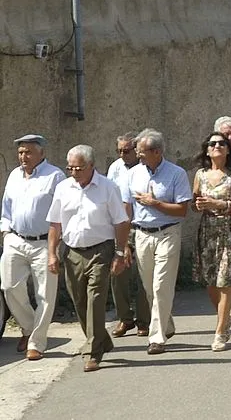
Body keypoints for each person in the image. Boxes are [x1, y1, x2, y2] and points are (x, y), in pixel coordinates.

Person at [46, 145, 130, 372]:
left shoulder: (108, 188)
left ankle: (92, 352)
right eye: (70, 168)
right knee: (79, 301)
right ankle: (102, 339)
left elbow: (121, 222)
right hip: (71, 251)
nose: (74, 172)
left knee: (95, 300)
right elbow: (55, 223)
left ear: (92, 166)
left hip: (100, 250)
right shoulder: (63, 188)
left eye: (79, 168)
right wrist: (52, 253)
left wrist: (119, 253)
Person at [125, 128, 192, 355]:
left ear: (156, 151)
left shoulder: (176, 174)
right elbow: (127, 207)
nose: (137, 155)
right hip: (142, 235)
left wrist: (155, 203)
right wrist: (124, 241)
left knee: (161, 286)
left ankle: (157, 338)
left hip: (167, 234)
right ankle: (166, 324)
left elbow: (182, 210)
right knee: (149, 288)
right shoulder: (133, 173)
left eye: (141, 151)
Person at [0, 134, 65, 360]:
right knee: (9, 286)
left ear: (41, 153)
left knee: (45, 294)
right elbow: (6, 207)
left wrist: (55, 247)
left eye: (28, 152)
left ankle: (36, 343)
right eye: (20, 152)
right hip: (16, 239)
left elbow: (61, 213)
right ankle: (28, 328)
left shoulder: (55, 176)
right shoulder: (14, 175)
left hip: (44, 242)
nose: (23, 156)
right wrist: (6, 233)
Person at [191, 131, 231, 351]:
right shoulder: (200, 175)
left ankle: (220, 332)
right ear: (207, 150)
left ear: (228, 150)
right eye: (213, 144)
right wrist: (198, 205)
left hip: (229, 230)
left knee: (225, 281)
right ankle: (225, 317)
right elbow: (194, 202)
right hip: (207, 231)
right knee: (211, 282)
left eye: (222, 144)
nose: (217, 146)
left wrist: (220, 204)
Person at [106, 132, 148, 338]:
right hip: (120, 225)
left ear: (137, 150)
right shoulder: (115, 168)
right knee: (118, 272)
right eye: (119, 151)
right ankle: (125, 317)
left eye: (127, 151)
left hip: (141, 225)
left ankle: (144, 320)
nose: (122, 155)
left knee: (143, 274)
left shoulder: (146, 168)